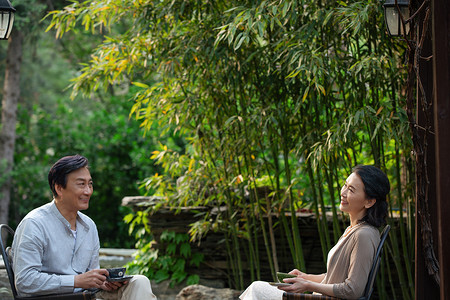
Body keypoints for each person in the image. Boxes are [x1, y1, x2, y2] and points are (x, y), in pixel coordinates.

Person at [11, 154, 157, 299]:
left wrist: (101, 282)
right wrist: (75, 281)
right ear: (59, 188)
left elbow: (91, 276)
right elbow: (25, 281)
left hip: (87, 296)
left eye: (90, 184)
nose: (88, 191)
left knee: (139, 282)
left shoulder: (89, 226)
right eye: (81, 184)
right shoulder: (34, 224)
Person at [239, 165, 390, 300]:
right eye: (345, 185)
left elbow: (353, 290)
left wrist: (308, 286)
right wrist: (306, 278)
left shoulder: (364, 235)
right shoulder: (353, 229)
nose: (343, 192)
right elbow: (334, 277)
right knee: (257, 288)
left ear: (369, 201)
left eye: (351, 190)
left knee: (257, 289)